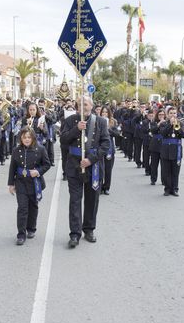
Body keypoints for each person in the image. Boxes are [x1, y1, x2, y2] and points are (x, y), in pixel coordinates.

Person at [60, 96, 110, 248]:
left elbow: (106, 143)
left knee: (92, 199)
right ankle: (75, 233)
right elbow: (63, 140)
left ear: (92, 106)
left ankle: (89, 229)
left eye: (86, 104)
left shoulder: (100, 121)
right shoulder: (70, 120)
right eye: (80, 104)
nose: (83, 106)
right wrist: (76, 129)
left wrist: (91, 160)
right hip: (74, 165)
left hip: (92, 165)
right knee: (75, 200)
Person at [7, 127, 51, 245]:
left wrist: (38, 171)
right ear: (20, 138)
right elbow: (13, 168)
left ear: (33, 138)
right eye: (24, 137)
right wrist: (11, 184)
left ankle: (31, 228)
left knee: (33, 206)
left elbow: (47, 164)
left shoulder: (40, 149)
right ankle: (21, 234)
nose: (26, 139)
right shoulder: (16, 150)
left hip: (34, 183)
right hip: (21, 182)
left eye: (29, 137)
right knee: (22, 208)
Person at [160, 106, 184, 196]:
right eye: (171, 113)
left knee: (175, 172)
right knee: (166, 171)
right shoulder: (164, 123)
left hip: (176, 151)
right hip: (166, 151)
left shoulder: (180, 123)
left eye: (174, 113)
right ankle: (167, 189)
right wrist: (170, 124)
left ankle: (175, 189)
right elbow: (163, 133)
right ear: (167, 115)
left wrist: (177, 126)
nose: (173, 115)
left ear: (177, 114)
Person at [101, 106, 120, 195]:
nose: (104, 114)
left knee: (108, 169)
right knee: (100, 168)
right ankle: (100, 186)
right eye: (103, 112)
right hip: (100, 148)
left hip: (109, 148)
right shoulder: (97, 121)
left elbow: (117, 134)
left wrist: (109, 129)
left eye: (106, 112)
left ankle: (106, 187)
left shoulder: (113, 122)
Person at [149, 109, 166, 185]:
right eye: (160, 115)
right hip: (155, 145)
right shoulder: (153, 122)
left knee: (164, 165)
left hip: (163, 145)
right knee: (154, 164)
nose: (161, 116)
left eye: (163, 115)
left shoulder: (167, 123)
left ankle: (163, 180)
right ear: (157, 115)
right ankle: (153, 179)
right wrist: (159, 123)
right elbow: (152, 130)